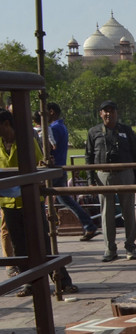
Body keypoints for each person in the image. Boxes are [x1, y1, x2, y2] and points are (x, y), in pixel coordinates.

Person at [1, 110, 77, 295]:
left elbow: (40, 165)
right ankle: (28, 282)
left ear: (6, 124)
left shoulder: (27, 141)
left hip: (30, 200)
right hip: (8, 202)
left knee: (43, 242)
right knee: (19, 246)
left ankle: (63, 281)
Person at [85, 100, 136, 262]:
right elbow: (89, 156)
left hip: (125, 173)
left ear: (117, 113)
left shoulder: (126, 130)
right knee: (106, 213)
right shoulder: (94, 131)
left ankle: (131, 247)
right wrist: (90, 179)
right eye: (105, 111)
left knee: (128, 212)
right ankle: (110, 248)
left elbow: (135, 153)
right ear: (100, 114)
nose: (109, 113)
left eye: (112, 110)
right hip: (104, 175)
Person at [47, 102, 100, 241]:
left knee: (40, 199)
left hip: (53, 169)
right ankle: (88, 224)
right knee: (65, 200)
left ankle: (44, 230)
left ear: (51, 112)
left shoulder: (53, 128)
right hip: (60, 168)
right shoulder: (61, 126)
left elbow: (50, 147)